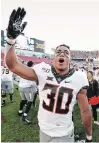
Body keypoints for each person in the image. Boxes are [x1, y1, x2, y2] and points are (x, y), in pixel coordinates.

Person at [5, 7, 92, 142]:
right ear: (53, 58)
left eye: (66, 52)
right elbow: (13, 65)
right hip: (44, 130)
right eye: (58, 52)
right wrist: (10, 40)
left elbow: (85, 111)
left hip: (65, 133)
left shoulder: (79, 77)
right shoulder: (42, 70)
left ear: (70, 59)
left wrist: (89, 136)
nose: (62, 53)